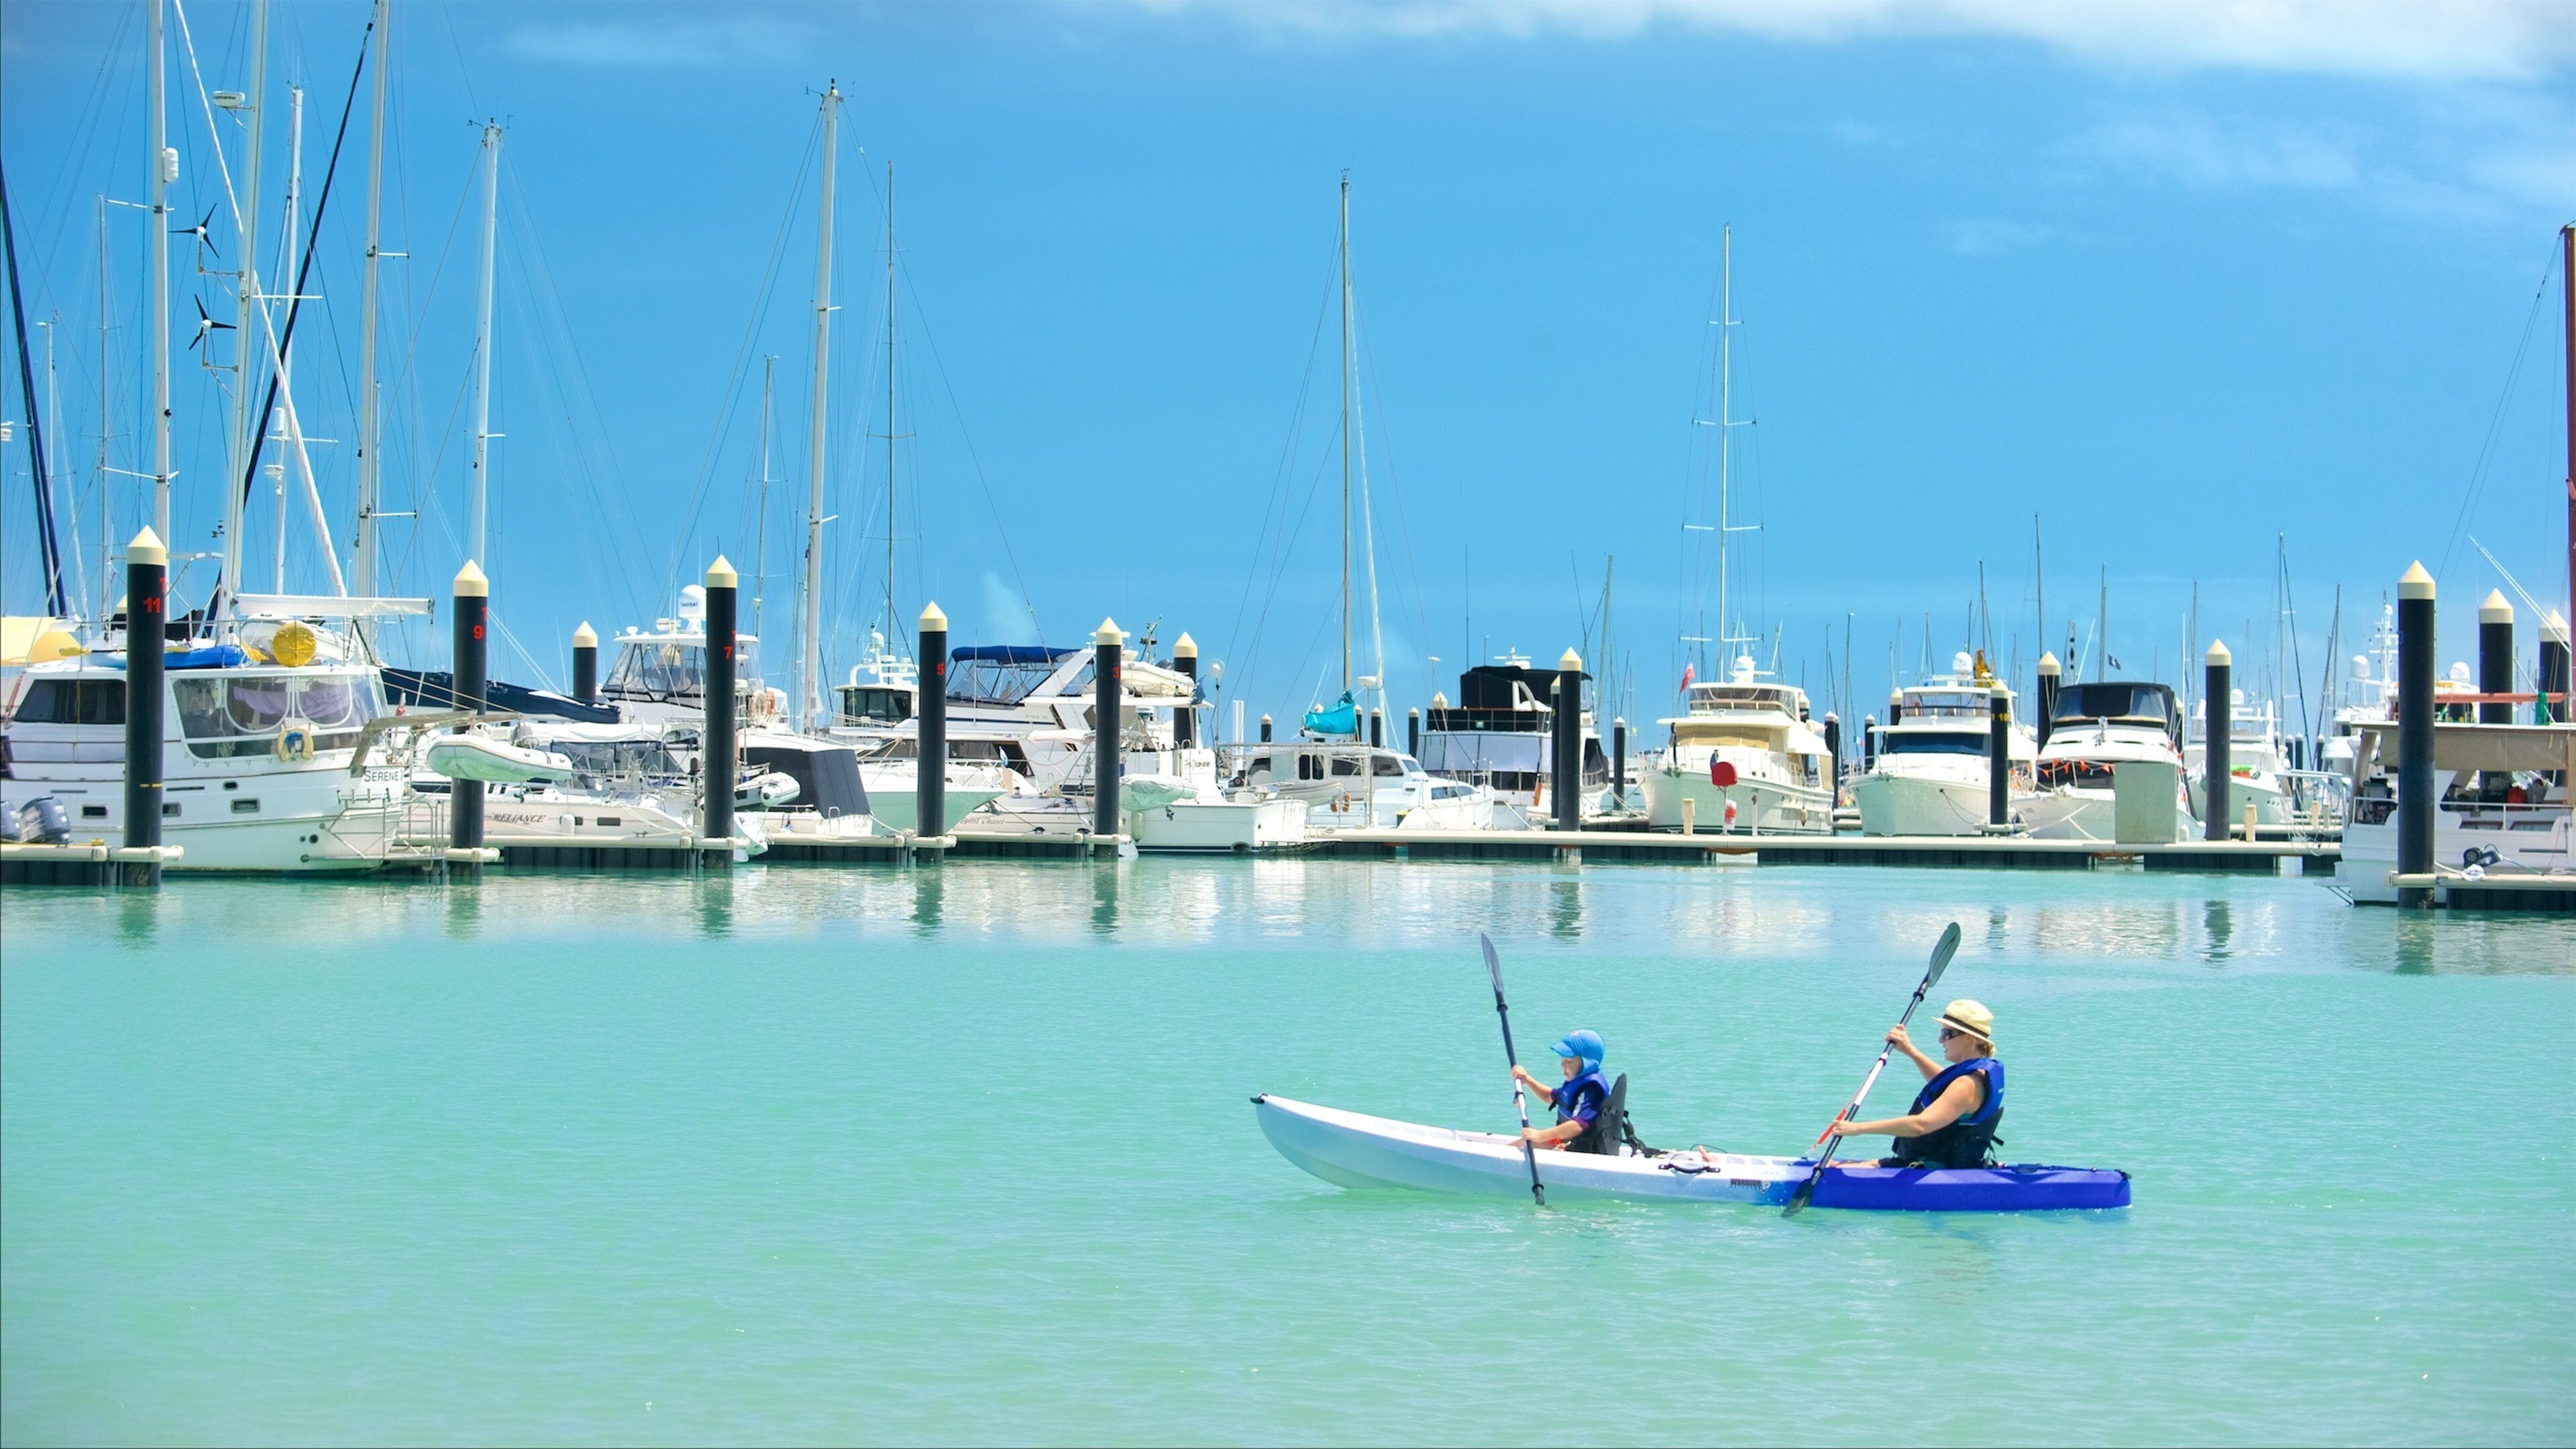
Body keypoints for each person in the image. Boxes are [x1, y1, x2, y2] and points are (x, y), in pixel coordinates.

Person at [1823, 1000, 2004, 1169]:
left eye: (1947, 1033)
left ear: (1968, 1039)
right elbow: (1945, 1087)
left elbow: (1920, 1125)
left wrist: (1857, 1128)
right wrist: (1911, 1052)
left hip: (1928, 1169)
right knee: (1839, 1165)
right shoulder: (1976, 1075)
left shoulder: (1966, 1085)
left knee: (1833, 1169)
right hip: (1943, 1164)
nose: (1941, 1040)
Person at [1509, 1030, 1610, 1152]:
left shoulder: (1591, 1090)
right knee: (1526, 1141)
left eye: (1569, 1061)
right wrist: (1528, 1080)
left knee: (1526, 1142)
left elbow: (1578, 1126)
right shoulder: (1578, 1082)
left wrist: (1541, 1135)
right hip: (1569, 1143)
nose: (1563, 1065)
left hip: (1580, 1151)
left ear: (1587, 1064)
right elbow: (1549, 1096)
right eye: (1563, 1059)